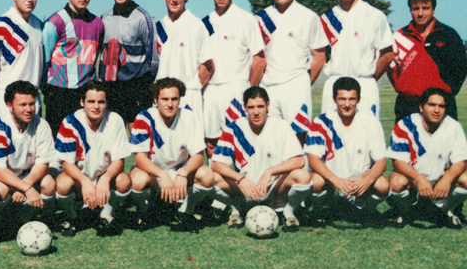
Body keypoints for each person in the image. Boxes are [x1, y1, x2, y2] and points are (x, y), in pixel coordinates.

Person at [211, 86, 311, 232]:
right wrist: (240, 179)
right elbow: (217, 163)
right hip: (244, 189)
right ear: (244, 107)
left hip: (273, 188)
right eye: (251, 107)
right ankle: (236, 208)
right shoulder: (234, 128)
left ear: (268, 106)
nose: (256, 112)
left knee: (303, 176)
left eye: (260, 106)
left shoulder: (281, 126)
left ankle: (288, 212)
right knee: (210, 177)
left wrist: (270, 172)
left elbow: (299, 161)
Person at [129, 78, 214, 233]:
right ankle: (144, 211)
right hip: (153, 172)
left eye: (174, 99)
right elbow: (140, 158)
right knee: (138, 180)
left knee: (207, 175)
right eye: (165, 99)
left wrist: (183, 173)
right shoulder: (144, 118)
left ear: (180, 99)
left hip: (178, 170)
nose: (170, 104)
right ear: (155, 100)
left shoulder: (189, 117)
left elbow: (198, 156)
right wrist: (162, 174)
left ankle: (186, 211)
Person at [255, 0, 328, 143]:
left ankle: (299, 171)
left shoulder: (308, 16)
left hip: (296, 86)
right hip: (268, 86)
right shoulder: (261, 18)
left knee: (297, 139)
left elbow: (320, 57)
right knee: (270, 139)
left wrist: (302, 81)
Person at [305, 77, 389, 224]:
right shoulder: (322, 121)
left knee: (383, 185)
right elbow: (313, 158)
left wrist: (367, 180)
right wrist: (336, 180)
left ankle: (365, 210)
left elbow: (381, 161)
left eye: (352, 99)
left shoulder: (370, 122)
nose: (347, 104)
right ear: (334, 99)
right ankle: (319, 210)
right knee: (314, 181)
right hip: (332, 182)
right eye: (342, 99)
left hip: (360, 182)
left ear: (359, 100)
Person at [201, 0, 266, 157]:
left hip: (236, 87)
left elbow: (259, 59)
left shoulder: (246, 19)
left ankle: (241, 183)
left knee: (239, 139)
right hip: (211, 90)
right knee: (211, 142)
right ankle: (218, 184)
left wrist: (248, 89)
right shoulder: (205, 22)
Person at [54, 81, 131, 236]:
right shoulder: (70, 122)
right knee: (62, 183)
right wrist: (84, 181)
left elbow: (119, 161)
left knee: (124, 181)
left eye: (101, 102)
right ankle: (73, 217)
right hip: (78, 176)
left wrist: (105, 179)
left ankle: (106, 214)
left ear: (107, 103)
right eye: (91, 101)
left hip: (103, 175)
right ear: (82, 102)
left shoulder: (115, 120)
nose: (96, 106)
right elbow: (67, 164)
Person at [320, 0, 393, 118]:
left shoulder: (375, 16)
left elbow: (387, 54)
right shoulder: (326, 18)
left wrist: (369, 77)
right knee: (332, 138)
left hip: (364, 86)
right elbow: (320, 55)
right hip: (334, 86)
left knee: (366, 138)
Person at [386, 88, 467, 229]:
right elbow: (397, 161)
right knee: (396, 182)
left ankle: (445, 210)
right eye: (432, 105)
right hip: (413, 182)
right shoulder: (406, 125)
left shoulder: (453, 127)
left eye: (441, 106)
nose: (436, 110)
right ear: (421, 107)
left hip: (440, 181)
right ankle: (406, 211)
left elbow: (461, 161)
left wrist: (447, 179)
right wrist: (418, 178)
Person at [389, 0, 467, 122]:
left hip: (442, 106)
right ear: (410, 10)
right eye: (415, 8)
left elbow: (461, 67)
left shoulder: (448, 34)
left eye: (425, 8)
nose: (420, 13)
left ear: (433, 9)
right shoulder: (399, 37)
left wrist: (446, 92)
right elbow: (391, 69)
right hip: (408, 106)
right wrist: (404, 89)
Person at [42, 0, 105, 137]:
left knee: (86, 142)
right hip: (60, 93)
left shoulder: (98, 23)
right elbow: (45, 59)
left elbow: (95, 57)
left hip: (86, 92)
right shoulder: (55, 21)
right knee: (58, 144)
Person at [0, 81, 56, 227]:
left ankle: (25, 218)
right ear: (9, 106)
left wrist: (26, 185)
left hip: (28, 177)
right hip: (5, 178)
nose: (29, 109)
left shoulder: (42, 125)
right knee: (1, 189)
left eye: (32, 104)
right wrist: (24, 188)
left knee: (48, 183)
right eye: (23, 105)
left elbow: (42, 165)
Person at [98, 0, 157, 126]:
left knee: (137, 132)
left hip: (135, 85)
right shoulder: (104, 17)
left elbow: (153, 59)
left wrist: (143, 83)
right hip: (111, 85)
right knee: (110, 130)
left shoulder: (143, 17)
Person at [154, 0, 213, 124]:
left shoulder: (196, 25)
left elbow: (208, 65)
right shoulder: (158, 27)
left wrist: (192, 89)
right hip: (161, 99)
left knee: (188, 146)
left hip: (188, 100)